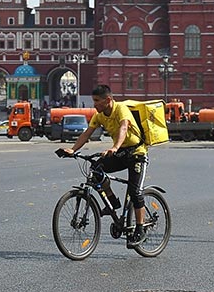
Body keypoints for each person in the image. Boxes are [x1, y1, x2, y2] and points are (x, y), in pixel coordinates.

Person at [58, 85, 149, 248]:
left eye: (97, 101)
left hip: (136, 153)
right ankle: (112, 201)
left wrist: (115, 147)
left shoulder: (121, 109)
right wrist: (72, 149)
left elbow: (124, 127)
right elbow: (87, 133)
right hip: (120, 153)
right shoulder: (99, 115)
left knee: (135, 192)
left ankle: (140, 229)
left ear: (108, 100)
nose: (94, 104)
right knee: (95, 169)